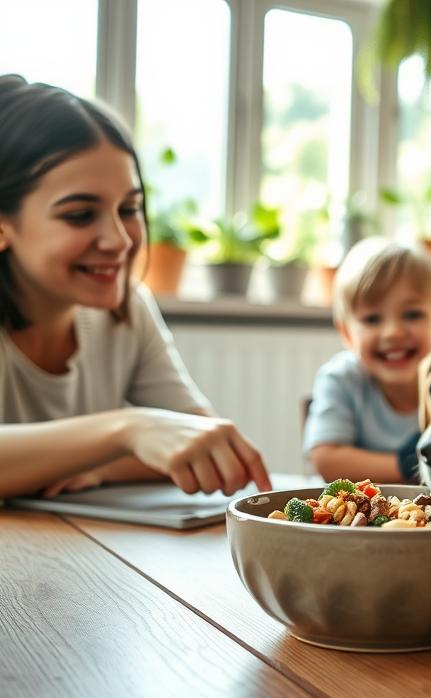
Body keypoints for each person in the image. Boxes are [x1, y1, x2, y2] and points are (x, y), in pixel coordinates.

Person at [0, 75, 270, 500]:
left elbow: (200, 444)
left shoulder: (129, 308)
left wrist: (102, 464)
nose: (120, 240)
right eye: (80, 215)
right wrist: (128, 430)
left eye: (129, 209)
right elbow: (158, 434)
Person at [304, 237, 431, 483]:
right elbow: (326, 460)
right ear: (346, 333)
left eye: (412, 315)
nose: (393, 333)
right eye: (372, 319)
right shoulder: (341, 378)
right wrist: (410, 463)